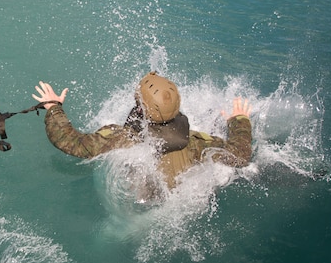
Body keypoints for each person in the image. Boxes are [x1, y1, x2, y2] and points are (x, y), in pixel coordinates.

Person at [32, 73, 253, 190]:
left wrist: (53, 107)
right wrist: (239, 120)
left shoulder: (123, 139)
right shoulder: (195, 142)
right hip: (179, 197)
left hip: (143, 201)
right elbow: (241, 154)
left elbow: (72, 143)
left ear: (140, 108)